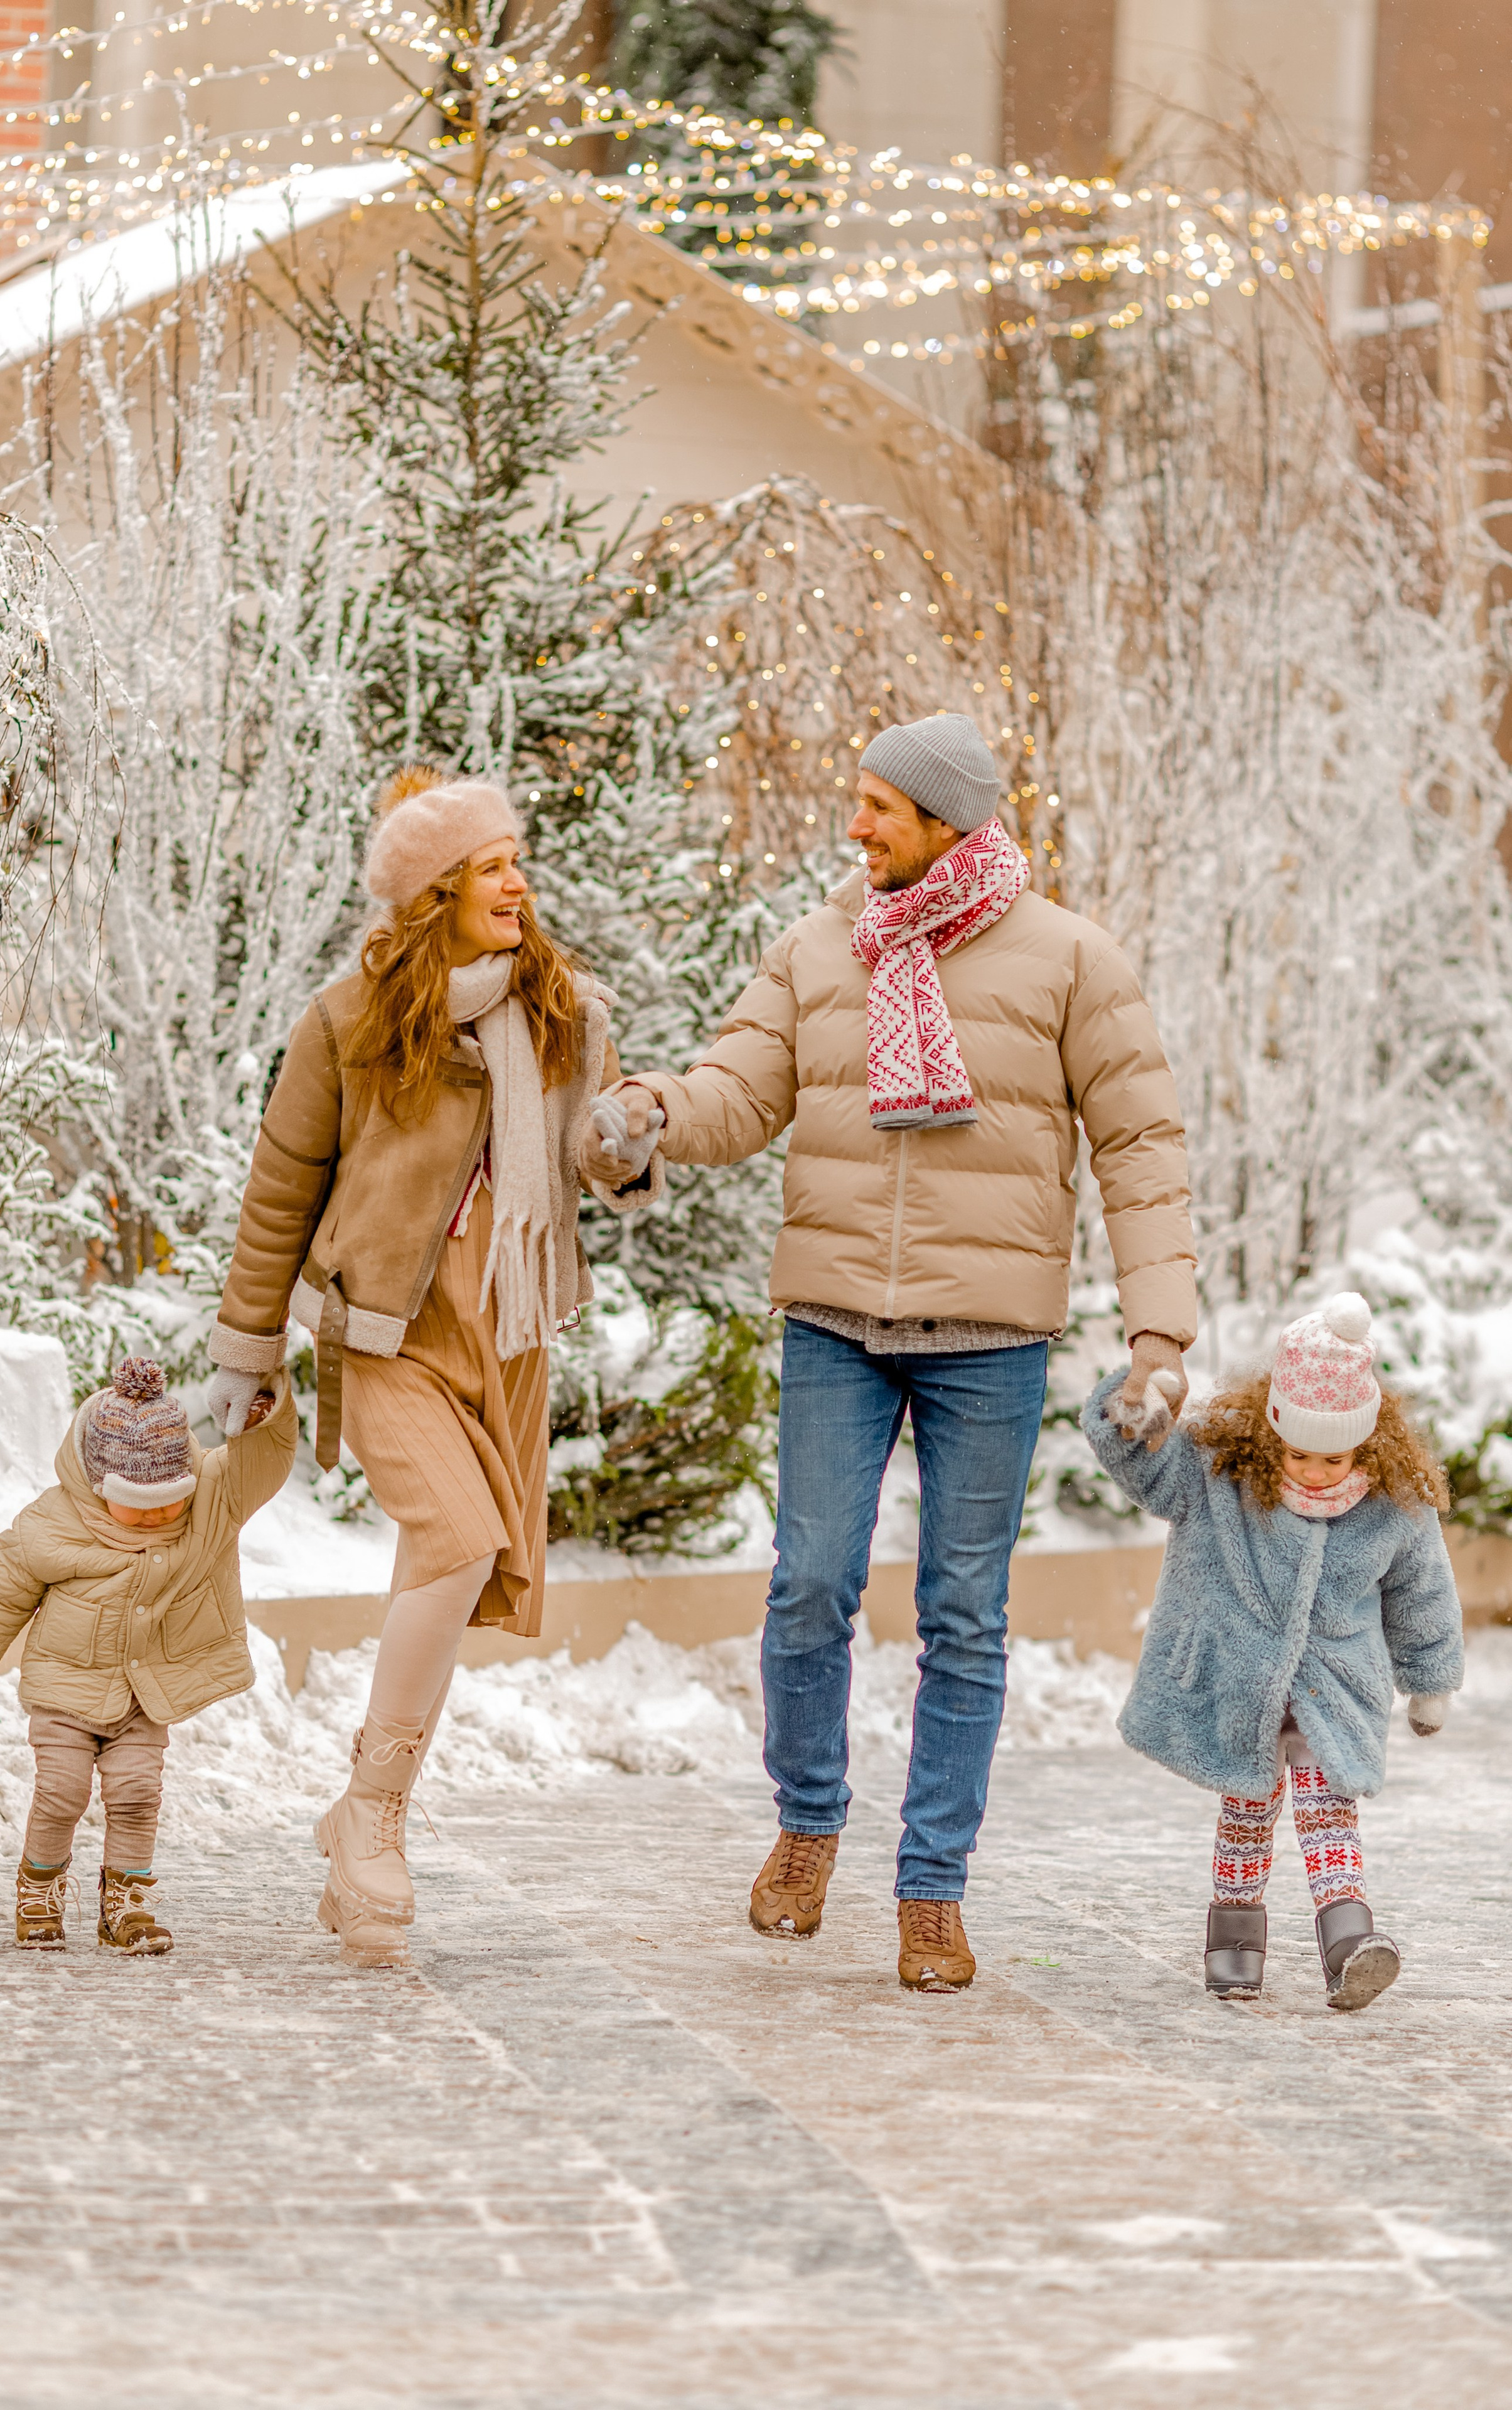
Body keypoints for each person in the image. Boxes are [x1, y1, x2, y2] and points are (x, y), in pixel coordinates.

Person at [602, 712, 1198, 1990]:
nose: (855, 824)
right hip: (832, 1322)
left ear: (947, 821)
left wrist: (1157, 1330)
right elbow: (738, 1091)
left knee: (963, 1616)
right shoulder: (820, 949)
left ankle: (931, 1889)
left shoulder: (1065, 961)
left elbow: (1140, 1150)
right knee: (807, 1584)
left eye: (878, 804)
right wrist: (651, 1113)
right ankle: (807, 1825)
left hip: (989, 1336)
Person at [204, 768, 663, 1966]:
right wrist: (249, 1351)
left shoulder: (566, 1012)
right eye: (492, 864)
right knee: (460, 1543)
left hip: (508, 1337)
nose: (518, 881)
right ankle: (372, 1822)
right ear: (434, 891)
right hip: (387, 1334)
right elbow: (280, 1191)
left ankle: (364, 1830)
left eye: (518, 858)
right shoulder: (348, 1020)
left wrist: (622, 1147)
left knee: (454, 1574)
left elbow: (593, 1151)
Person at [1083, 1292, 1463, 2010]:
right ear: (1271, 1430)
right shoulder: (1221, 1476)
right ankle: (1233, 1942)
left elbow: (1422, 1592)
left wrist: (1429, 1679)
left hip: (1335, 1687)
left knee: (1329, 1810)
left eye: (1335, 1456)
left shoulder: (1393, 1504)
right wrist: (1136, 1411)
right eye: (1298, 1453)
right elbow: (1144, 1469)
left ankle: (1350, 1941)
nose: (1316, 1471)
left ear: (1368, 1440)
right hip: (1241, 1681)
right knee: (1248, 1811)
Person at [0, 1355, 295, 1953]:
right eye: (136, 1500)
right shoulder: (53, 1522)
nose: (156, 1514)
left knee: (136, 1795)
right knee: (61, 1792)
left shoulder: (212, 1503)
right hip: (65, 1690)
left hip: (141, 1698)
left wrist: (265, 1410)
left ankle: (125, 1907)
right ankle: (39, 1891)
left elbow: (266, 1459)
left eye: (169, 1499)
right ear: (98, 1485)